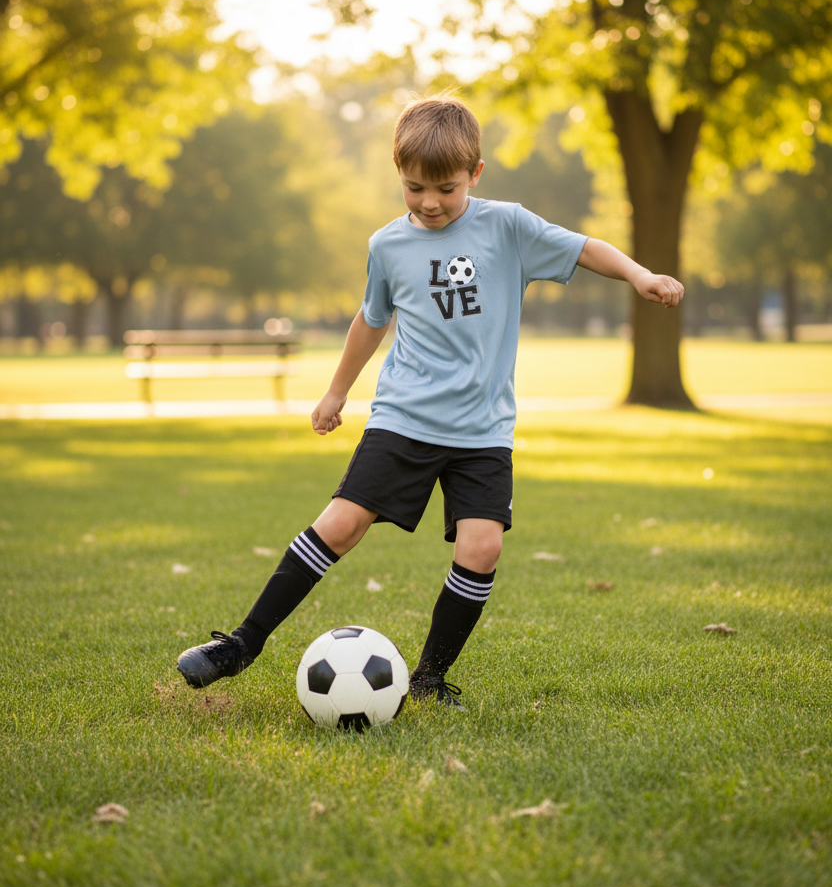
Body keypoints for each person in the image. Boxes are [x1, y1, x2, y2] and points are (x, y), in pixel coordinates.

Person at [176, 95, 684, 707]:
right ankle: (241, 645)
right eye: (414, 187)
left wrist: (639, 275)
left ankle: (428, 679)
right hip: (405, 417)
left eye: (444, 187)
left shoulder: (508, 226)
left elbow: (583, 248)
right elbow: (370, 320)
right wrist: (337, 390)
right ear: (399, 174)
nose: (429, 202)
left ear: (476, 174)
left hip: (483, 429)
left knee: (482, 545)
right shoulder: (388, 245)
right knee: (341, 523)